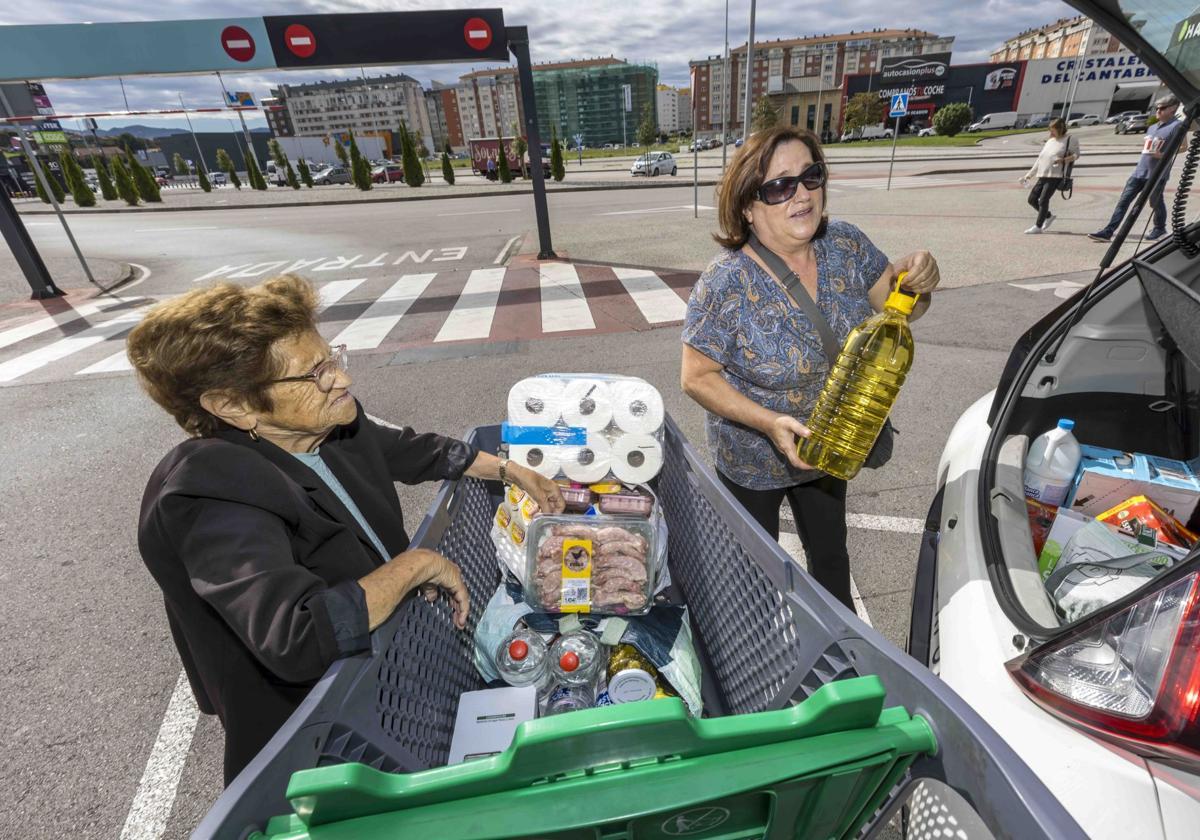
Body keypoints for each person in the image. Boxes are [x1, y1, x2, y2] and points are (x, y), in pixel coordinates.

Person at [127, 275, 565, 785]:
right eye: (315, 374)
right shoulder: (209, 489)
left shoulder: (328, 425)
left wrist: (511, 471)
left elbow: (412, 448)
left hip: (385, 675)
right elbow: (297, 634)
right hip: (313, 736)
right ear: (232, 405)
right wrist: (413, 566)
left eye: (332, 358)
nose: (341, 380)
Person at [680, 126, 941, 610]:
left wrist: (920, 282)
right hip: (751, 460)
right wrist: (768, 422)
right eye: (779, 186)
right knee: (751, 579)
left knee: (831, 562)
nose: (800, 194)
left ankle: (837, 659)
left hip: (828, 447)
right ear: (747, 207)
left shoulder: (844, 245)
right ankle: (760, 661)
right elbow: (696, 376)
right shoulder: (725, 282)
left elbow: (902, 307)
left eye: (810, 176)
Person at [1089, 94, 1186, 242]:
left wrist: (1163, 154)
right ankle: (1108, 231)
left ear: (1172, 109)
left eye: (1162, 108)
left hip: (1157, 174)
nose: (1158, 111)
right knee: (1123, 202)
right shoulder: (1152, 127)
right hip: (1139, 171)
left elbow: (1184, 147)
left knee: (1155, 202)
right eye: (1157, 108)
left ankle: (1159, 228)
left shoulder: (1177, 125)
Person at [1019, 118, 1079, 234]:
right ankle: (1048, 216)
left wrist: (1063, 160)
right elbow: (1040, 159)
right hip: (1043, 174)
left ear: (1060, 129)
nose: (1050, 133)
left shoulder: (1070, 139)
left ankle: (1038, 226)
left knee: (1043, 200)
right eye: (1050, 131)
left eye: (1053, 131)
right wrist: (1028, 175)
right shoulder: (1050, 141)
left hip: (1055, 175)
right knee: (1032, 199)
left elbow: (1077, 155)